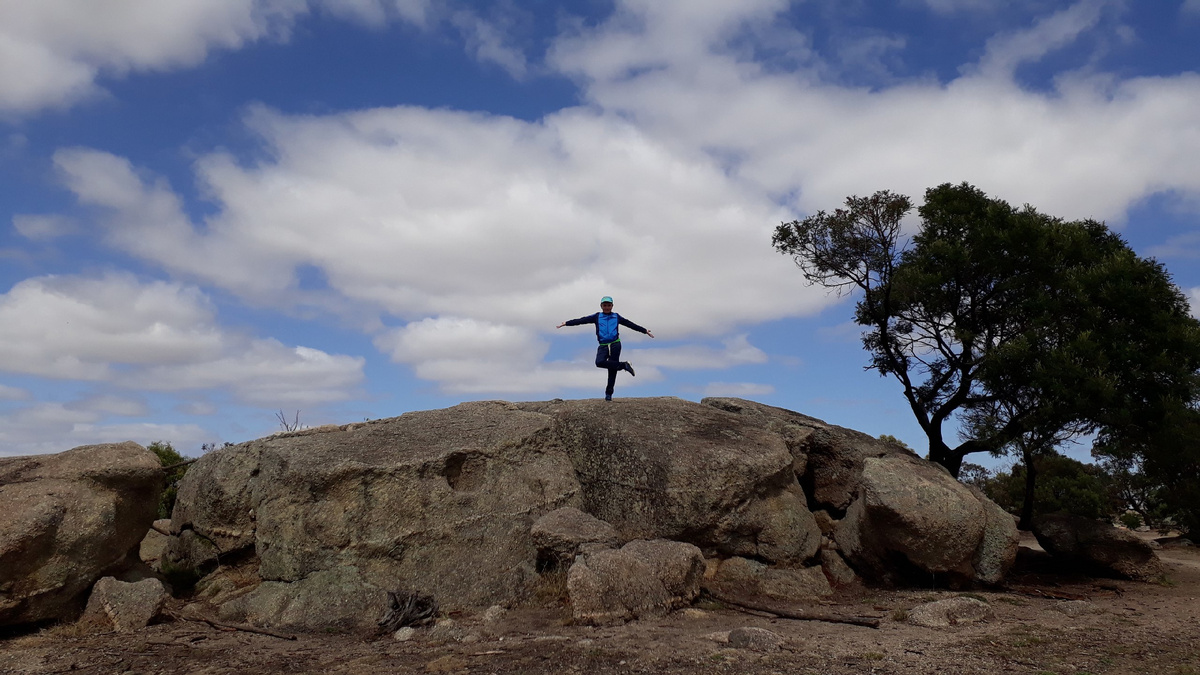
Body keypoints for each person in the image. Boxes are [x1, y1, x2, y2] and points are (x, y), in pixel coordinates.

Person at [557, 296, 654, 401]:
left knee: (612, 370)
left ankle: (609, 394)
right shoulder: (597, 316)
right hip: (603, 345)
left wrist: (644, 330)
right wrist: (567, 323)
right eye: (605, 305)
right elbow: (582, 320)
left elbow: (629, 324)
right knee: (599, 362)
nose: (607, 307)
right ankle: (624, 365)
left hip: (615, 344)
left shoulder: (616, 317)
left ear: (612, 306)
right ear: (601, 306)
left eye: (609, 305)